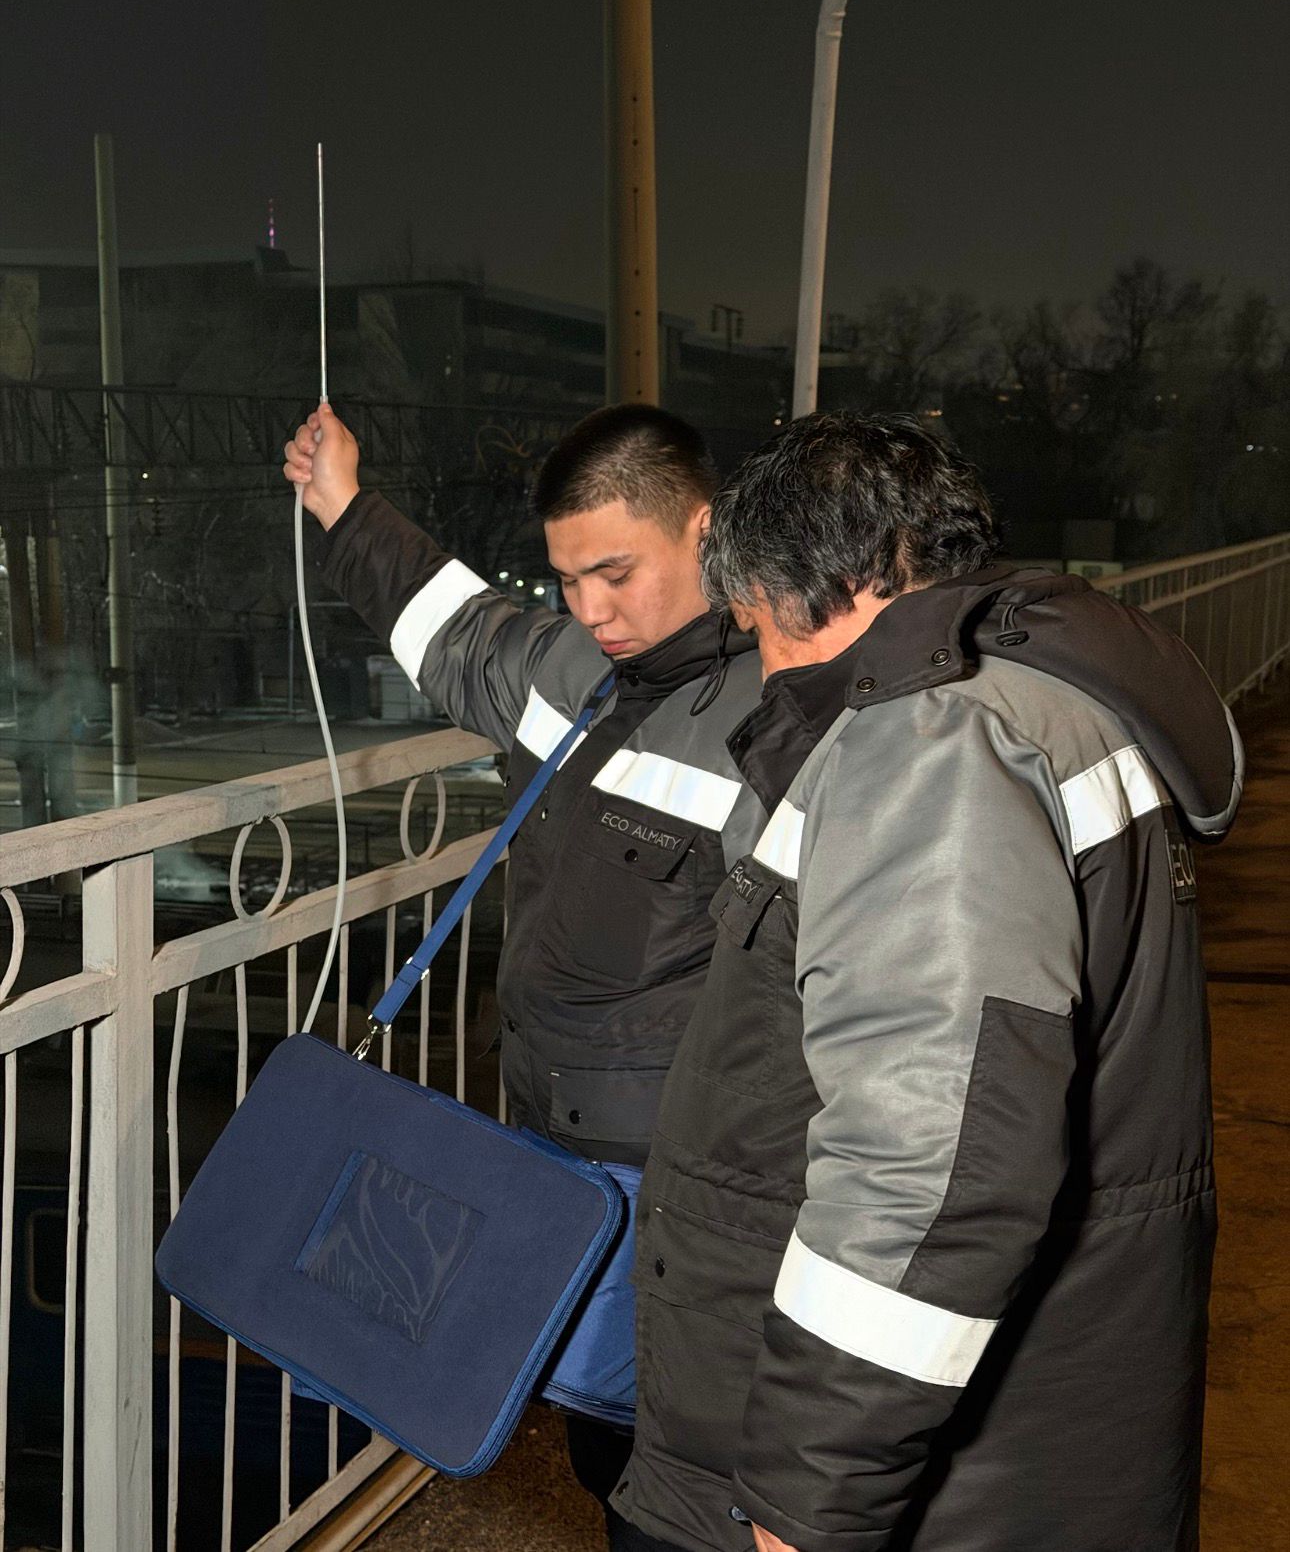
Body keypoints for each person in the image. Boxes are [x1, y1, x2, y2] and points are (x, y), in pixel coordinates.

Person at [613, 412, 1243, 1552]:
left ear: (817, 585)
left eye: (753, 625)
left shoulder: (930, 741)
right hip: (1056, 1427)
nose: (760, 667)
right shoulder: (1049, 701)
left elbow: (930, 1172)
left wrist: (808, 1488)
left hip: (954, 1484)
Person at [284, 401, 768, 1549]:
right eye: (568, 579)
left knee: (691, 1481)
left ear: (704, 531)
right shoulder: (571, 667)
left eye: (616, 574)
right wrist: (342, 502)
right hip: (557, 1157)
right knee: (609, 1448)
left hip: (693, 1188)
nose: (591, 610)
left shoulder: (782, 720)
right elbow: (450, 625)